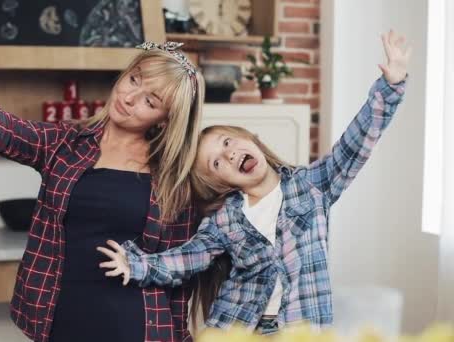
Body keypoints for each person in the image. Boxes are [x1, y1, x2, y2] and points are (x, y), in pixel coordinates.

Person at [97, 30, 410, 335]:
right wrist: (137, 265)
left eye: (229, 142)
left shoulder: (311, 187)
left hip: (301, 329)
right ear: (220, 183)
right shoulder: (225, 219)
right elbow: (188, 257)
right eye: (216, 163)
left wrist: (390, 87)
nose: (230, 155)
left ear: (251, 140)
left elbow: (354, 145)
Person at [0, 41, 205, 342]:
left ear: (166, 121)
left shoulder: (175, 178)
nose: (130, 97)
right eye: (134, 79)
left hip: (136, 326)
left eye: (150, 101)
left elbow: (179, 272)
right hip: (61, 320)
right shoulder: (65, 142)